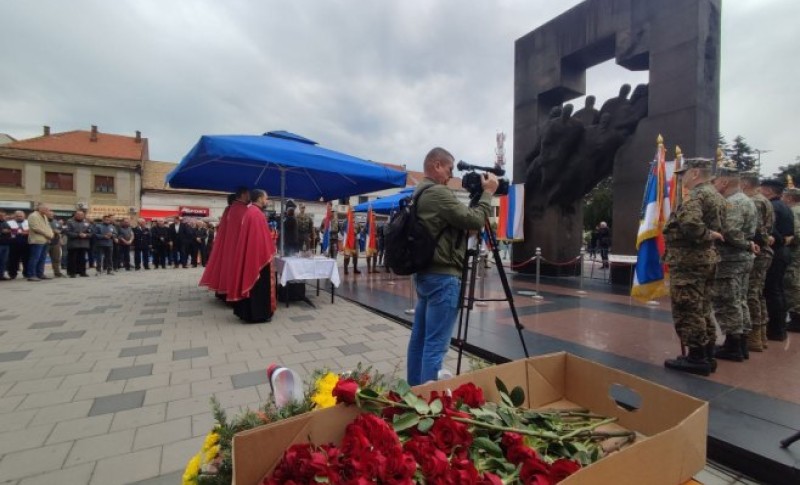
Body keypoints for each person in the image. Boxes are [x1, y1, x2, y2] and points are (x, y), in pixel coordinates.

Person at [406, 147, 498, 385]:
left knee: (420, 340)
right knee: (435, 347)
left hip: (426, 274)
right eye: (448, 169)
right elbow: (475, 220)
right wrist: (488, 193)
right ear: (436, 165)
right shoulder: (438, 193)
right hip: (443, 277)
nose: (450, 175)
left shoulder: (420, 191)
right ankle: (427, 404)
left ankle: (414, 392)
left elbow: (460, 222)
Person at [662, 158, 725, 376]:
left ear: (695, 172)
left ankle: (696, 358)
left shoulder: (697, 196)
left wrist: (707, 235)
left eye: (684, 173)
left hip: (689, 261)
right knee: (703, 307)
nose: (681, 177)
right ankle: (707, 354)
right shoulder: (716, 195)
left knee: (687, 308)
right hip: (705, 260)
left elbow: (690, 223)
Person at [710, 165, 757, 362]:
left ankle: (733, 345)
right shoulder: (746, 200)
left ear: (725, 181)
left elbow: (730, 232)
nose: (713, 185)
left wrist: (746, 245)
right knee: (739, 300)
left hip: (731, 259)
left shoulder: (733, 203)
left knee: (728, 302)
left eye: (715, 181)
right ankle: (741, 343)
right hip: (741, 260)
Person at [227, 189, 277, 323]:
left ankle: (247, 313)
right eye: (266, 198)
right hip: (259, 257)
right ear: (260, 198)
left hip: (253, 254)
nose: (267, 201)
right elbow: (260, 239)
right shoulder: (257, 214)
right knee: (258, 286)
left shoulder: (250, 211)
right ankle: (258, 314)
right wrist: (270, 246)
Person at [741, 171, 774, 351]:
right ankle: (760, 335)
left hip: (757, 252)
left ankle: (754, 337)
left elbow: (757, 231)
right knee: (757, 294)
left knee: (751, 294)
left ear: (745, 183)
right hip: (763, 251)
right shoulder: (764, 200)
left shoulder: (755, 201)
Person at [760, 178, 795, 341]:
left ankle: (775, 329)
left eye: (762, 189)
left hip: (776, 251)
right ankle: (778, 328)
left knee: (771, 291)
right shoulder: (784, 207)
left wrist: (779, 240)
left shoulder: (772, 207)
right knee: (777, 290)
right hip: (783, 252)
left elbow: (771, 231)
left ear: (769, 191)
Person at [201, 188, 250, 298]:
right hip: (235, 245)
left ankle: (222, 290)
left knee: (225, 266)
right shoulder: (241, 209)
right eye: (247, 194)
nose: (249, 197)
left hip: (227, 244)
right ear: (242, 195)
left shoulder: (230, 209)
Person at [782, 185, 800, 332]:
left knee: (793, 285)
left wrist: (786, 240)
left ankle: (796, 318)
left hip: (795, 253)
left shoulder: (793, 212)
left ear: (789, 198)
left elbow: (795, 233)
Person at [65, 210, 91, 277]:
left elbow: (91, 232)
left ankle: (82, 272)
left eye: (82, 215)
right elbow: (68, 232)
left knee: (82, 259)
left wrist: (86, 235)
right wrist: (78, 235)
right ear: (75, 215)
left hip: (83, 244)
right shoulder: (69, 222)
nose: (80, 216)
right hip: (73, 244)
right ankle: (72, 273)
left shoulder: (86, 222)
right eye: (78, 215)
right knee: (72, 259)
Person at [7, 210, 29, 279]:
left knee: (26, 259)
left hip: (26, 243)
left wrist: (26, 232)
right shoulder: (9, 223)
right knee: (13, 259)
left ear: (24, 216)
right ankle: (12, 274)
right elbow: (6, 230)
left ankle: (26, 273)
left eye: (20, 216)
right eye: (17, 216)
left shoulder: (28, 222)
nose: (19, 217)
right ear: (14, 216)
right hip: (13, 243)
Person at [0, 210, 11, 279]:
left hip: (6, 244)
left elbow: (9, 230)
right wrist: (2, 231)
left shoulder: (5, 222)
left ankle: (1, 275)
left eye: (3, 215)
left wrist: (9, 231)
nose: (3, 217)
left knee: (4, 261)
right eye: (1, 215)